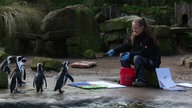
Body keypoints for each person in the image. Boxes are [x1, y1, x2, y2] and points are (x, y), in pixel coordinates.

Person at [107, 17, 161, 87]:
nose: (134, 30)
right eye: (133, 28)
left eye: (136, 28)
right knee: (122, 55)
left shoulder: (148, 38)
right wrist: (115, 50)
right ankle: (128, 78)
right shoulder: (135, 36)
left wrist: (130, 55)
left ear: (142, 27)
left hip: (152, 61)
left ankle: (141, 80)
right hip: (140, 58)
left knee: (137, 58)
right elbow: (128, 45)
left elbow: (144, 53)